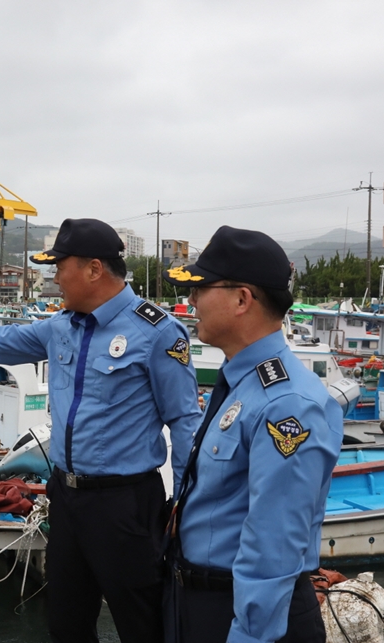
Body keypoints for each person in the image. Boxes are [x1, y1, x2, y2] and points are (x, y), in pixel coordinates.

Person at [0, 218, 201, 643]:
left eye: (61, 266)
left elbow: (185, 421)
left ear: (94, 269)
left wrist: (188, 502)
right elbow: (6, 339)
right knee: (66, 623)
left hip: (126, 505)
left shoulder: (156, 332)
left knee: (143, 623)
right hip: (67, 497)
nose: (55, 277)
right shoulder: (62, 325)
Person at [161, 226, 343, 643]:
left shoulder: (287, 403)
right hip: (198, 601)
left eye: (202, 288)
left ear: (242, 299)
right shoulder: (243, 383)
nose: (191, 301)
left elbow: (273, 544)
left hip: (246, 616)